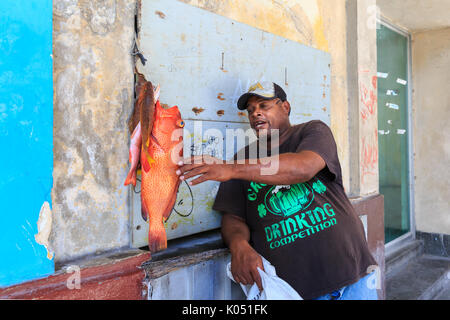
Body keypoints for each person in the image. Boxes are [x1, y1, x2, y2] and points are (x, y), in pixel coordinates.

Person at [176, 81, 378, 300]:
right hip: (294, 290)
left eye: (264, 106)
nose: (255, 114)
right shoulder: (241, 159)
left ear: (286, 107)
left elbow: (303, 168)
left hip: (352, 274)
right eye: (251, 110)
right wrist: (239, 245)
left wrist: (230, 168)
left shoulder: (312, 131)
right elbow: (233, 217)